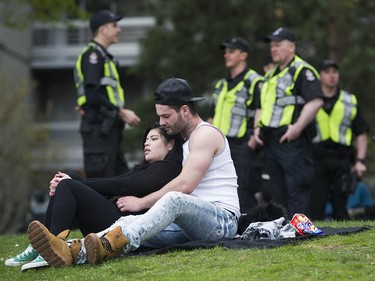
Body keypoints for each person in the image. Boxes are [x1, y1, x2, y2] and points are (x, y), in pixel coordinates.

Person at [27, 77, 240, 267]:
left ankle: (102, 245)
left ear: (185, 110)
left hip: (221, 221)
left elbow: (186, 185)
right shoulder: (186, 143)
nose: (162, 123)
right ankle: (67, 250)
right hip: (189, 223)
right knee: (127, 223)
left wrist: (142, 202)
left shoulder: (205, 134)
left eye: (166, 116)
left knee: (175, 199)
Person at [5, 123, 183, 271]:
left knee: (69, 184)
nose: (146, 144)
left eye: (153, 139)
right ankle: (41, 246)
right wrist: (72, 180)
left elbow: (122, 186)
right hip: (112, 219)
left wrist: (73, 184)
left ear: (170, 144)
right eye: (145, 140)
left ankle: (53, 246)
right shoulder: (144, 168)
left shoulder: (168, 169)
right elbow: (113, 182)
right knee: (69, 179)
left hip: (120, 231)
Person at [254, 27, 324, 218]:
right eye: (271, 46)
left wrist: (297, 128)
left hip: (293, 141)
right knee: (275, 190)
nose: (273, 49)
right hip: (270, 141)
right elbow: (261, 105)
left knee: (297, 186)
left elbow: (316, 101)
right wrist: (256, 129)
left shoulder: (302, 71)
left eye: (278, 45)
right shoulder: (270, 74)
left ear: (292, 47)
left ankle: (299, 231)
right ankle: (283, 231)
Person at [74, 10, 141, 178]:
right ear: (103, 29)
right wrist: (121, 112)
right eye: (114, 25)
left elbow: (93, 94)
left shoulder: (103, 56)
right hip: (98, 129)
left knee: (120, 181)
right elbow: (92, 95)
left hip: (107, 130)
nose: (119, 30)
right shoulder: (93, 56)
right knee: (102, 184)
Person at [207, 37, 264, 216]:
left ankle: (250, 228)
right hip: (221, 147)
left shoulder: (254, 81)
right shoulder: (222, 84)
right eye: (226, 51)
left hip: (242, 145)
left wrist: (252, 142)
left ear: (243, 55)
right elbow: (212, 115)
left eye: (231, 51)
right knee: (221, 190)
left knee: (245, 191)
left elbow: (261, 109)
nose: (227, 55)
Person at [310, 59, 369, 220]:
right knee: (316, 206)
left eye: (334, 72)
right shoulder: (311, 100)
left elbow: (361, 132)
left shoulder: (349, 100)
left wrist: (361, 161)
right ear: (320, 76)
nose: (331, 76)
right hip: (317, 158)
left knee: (341, 207)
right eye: (327, 72)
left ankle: (342, 241)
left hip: (342, 159)